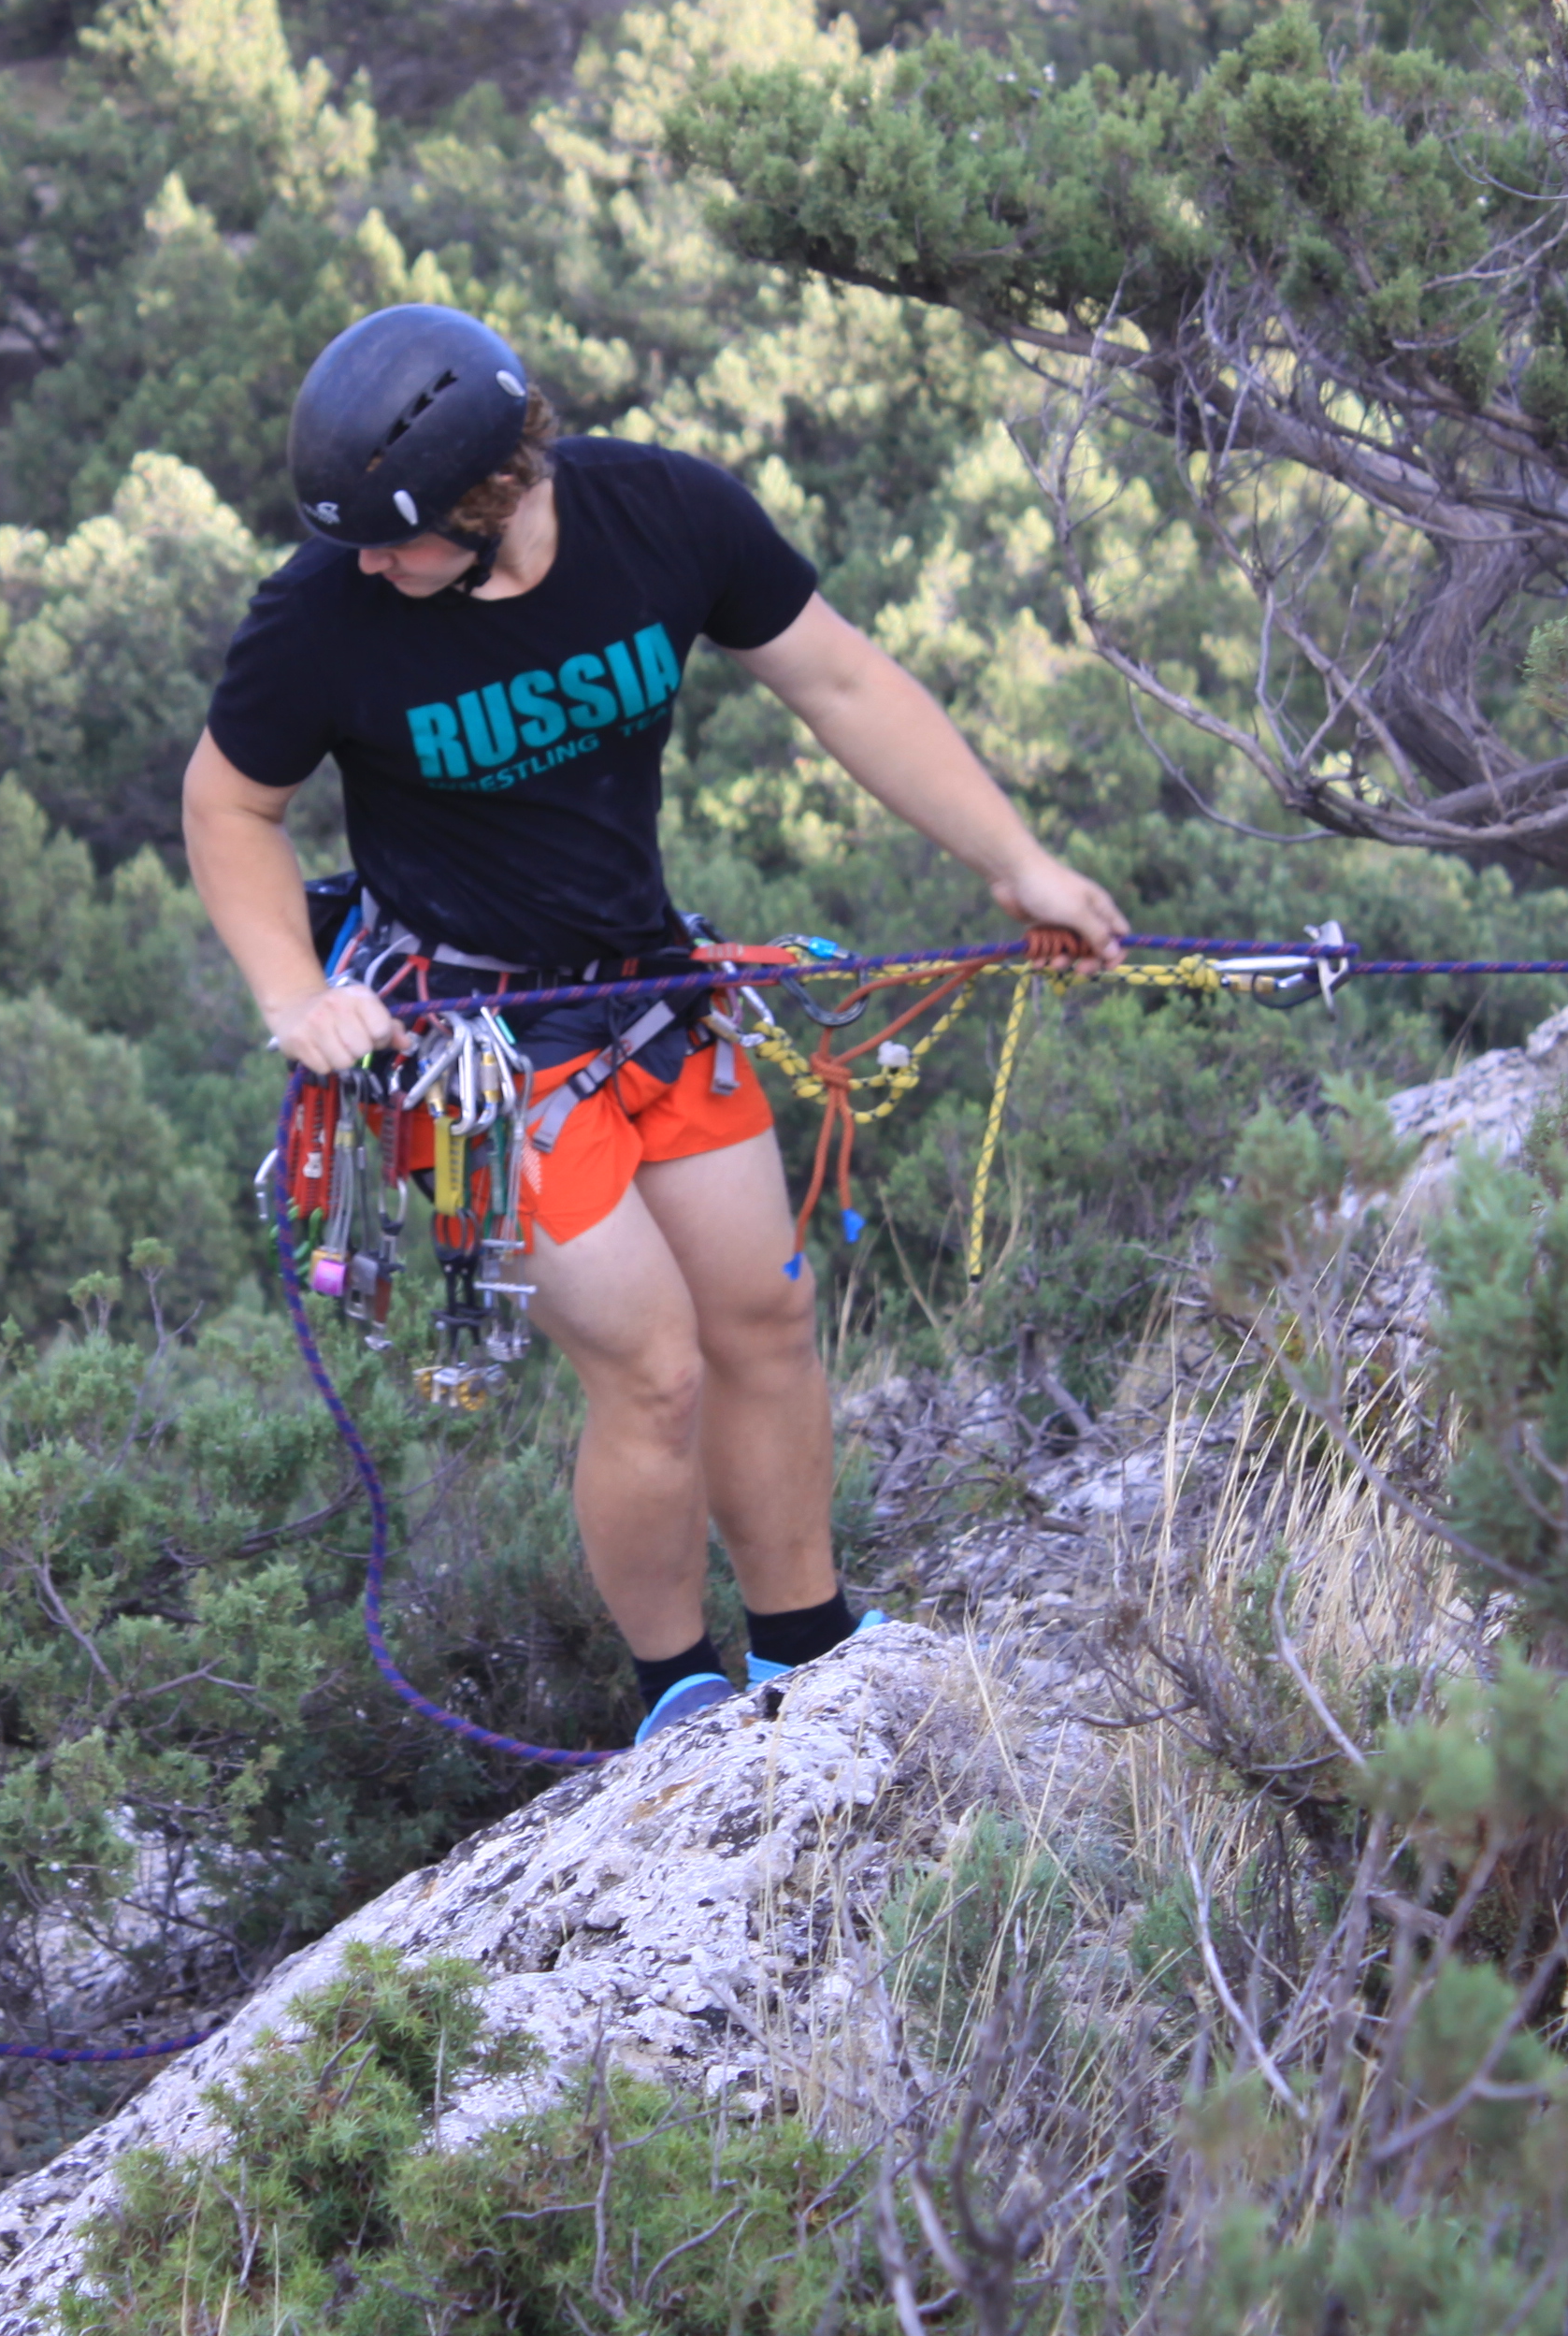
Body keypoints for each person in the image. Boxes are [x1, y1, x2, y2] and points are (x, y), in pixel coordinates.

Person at [182, 303, 1124, 1746]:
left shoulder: (662, 515)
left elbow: (842, 681)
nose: (368, 560)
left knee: (765, 1316)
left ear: (496, 499)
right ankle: (677, 1697)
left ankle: (809, 1651)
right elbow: (230, 804)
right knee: (652, 1365)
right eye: (356, 538)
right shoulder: (325, 613)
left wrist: (1021, 865)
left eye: (398, 535)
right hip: (471, 1049)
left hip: (648, 995)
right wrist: (293, 996)